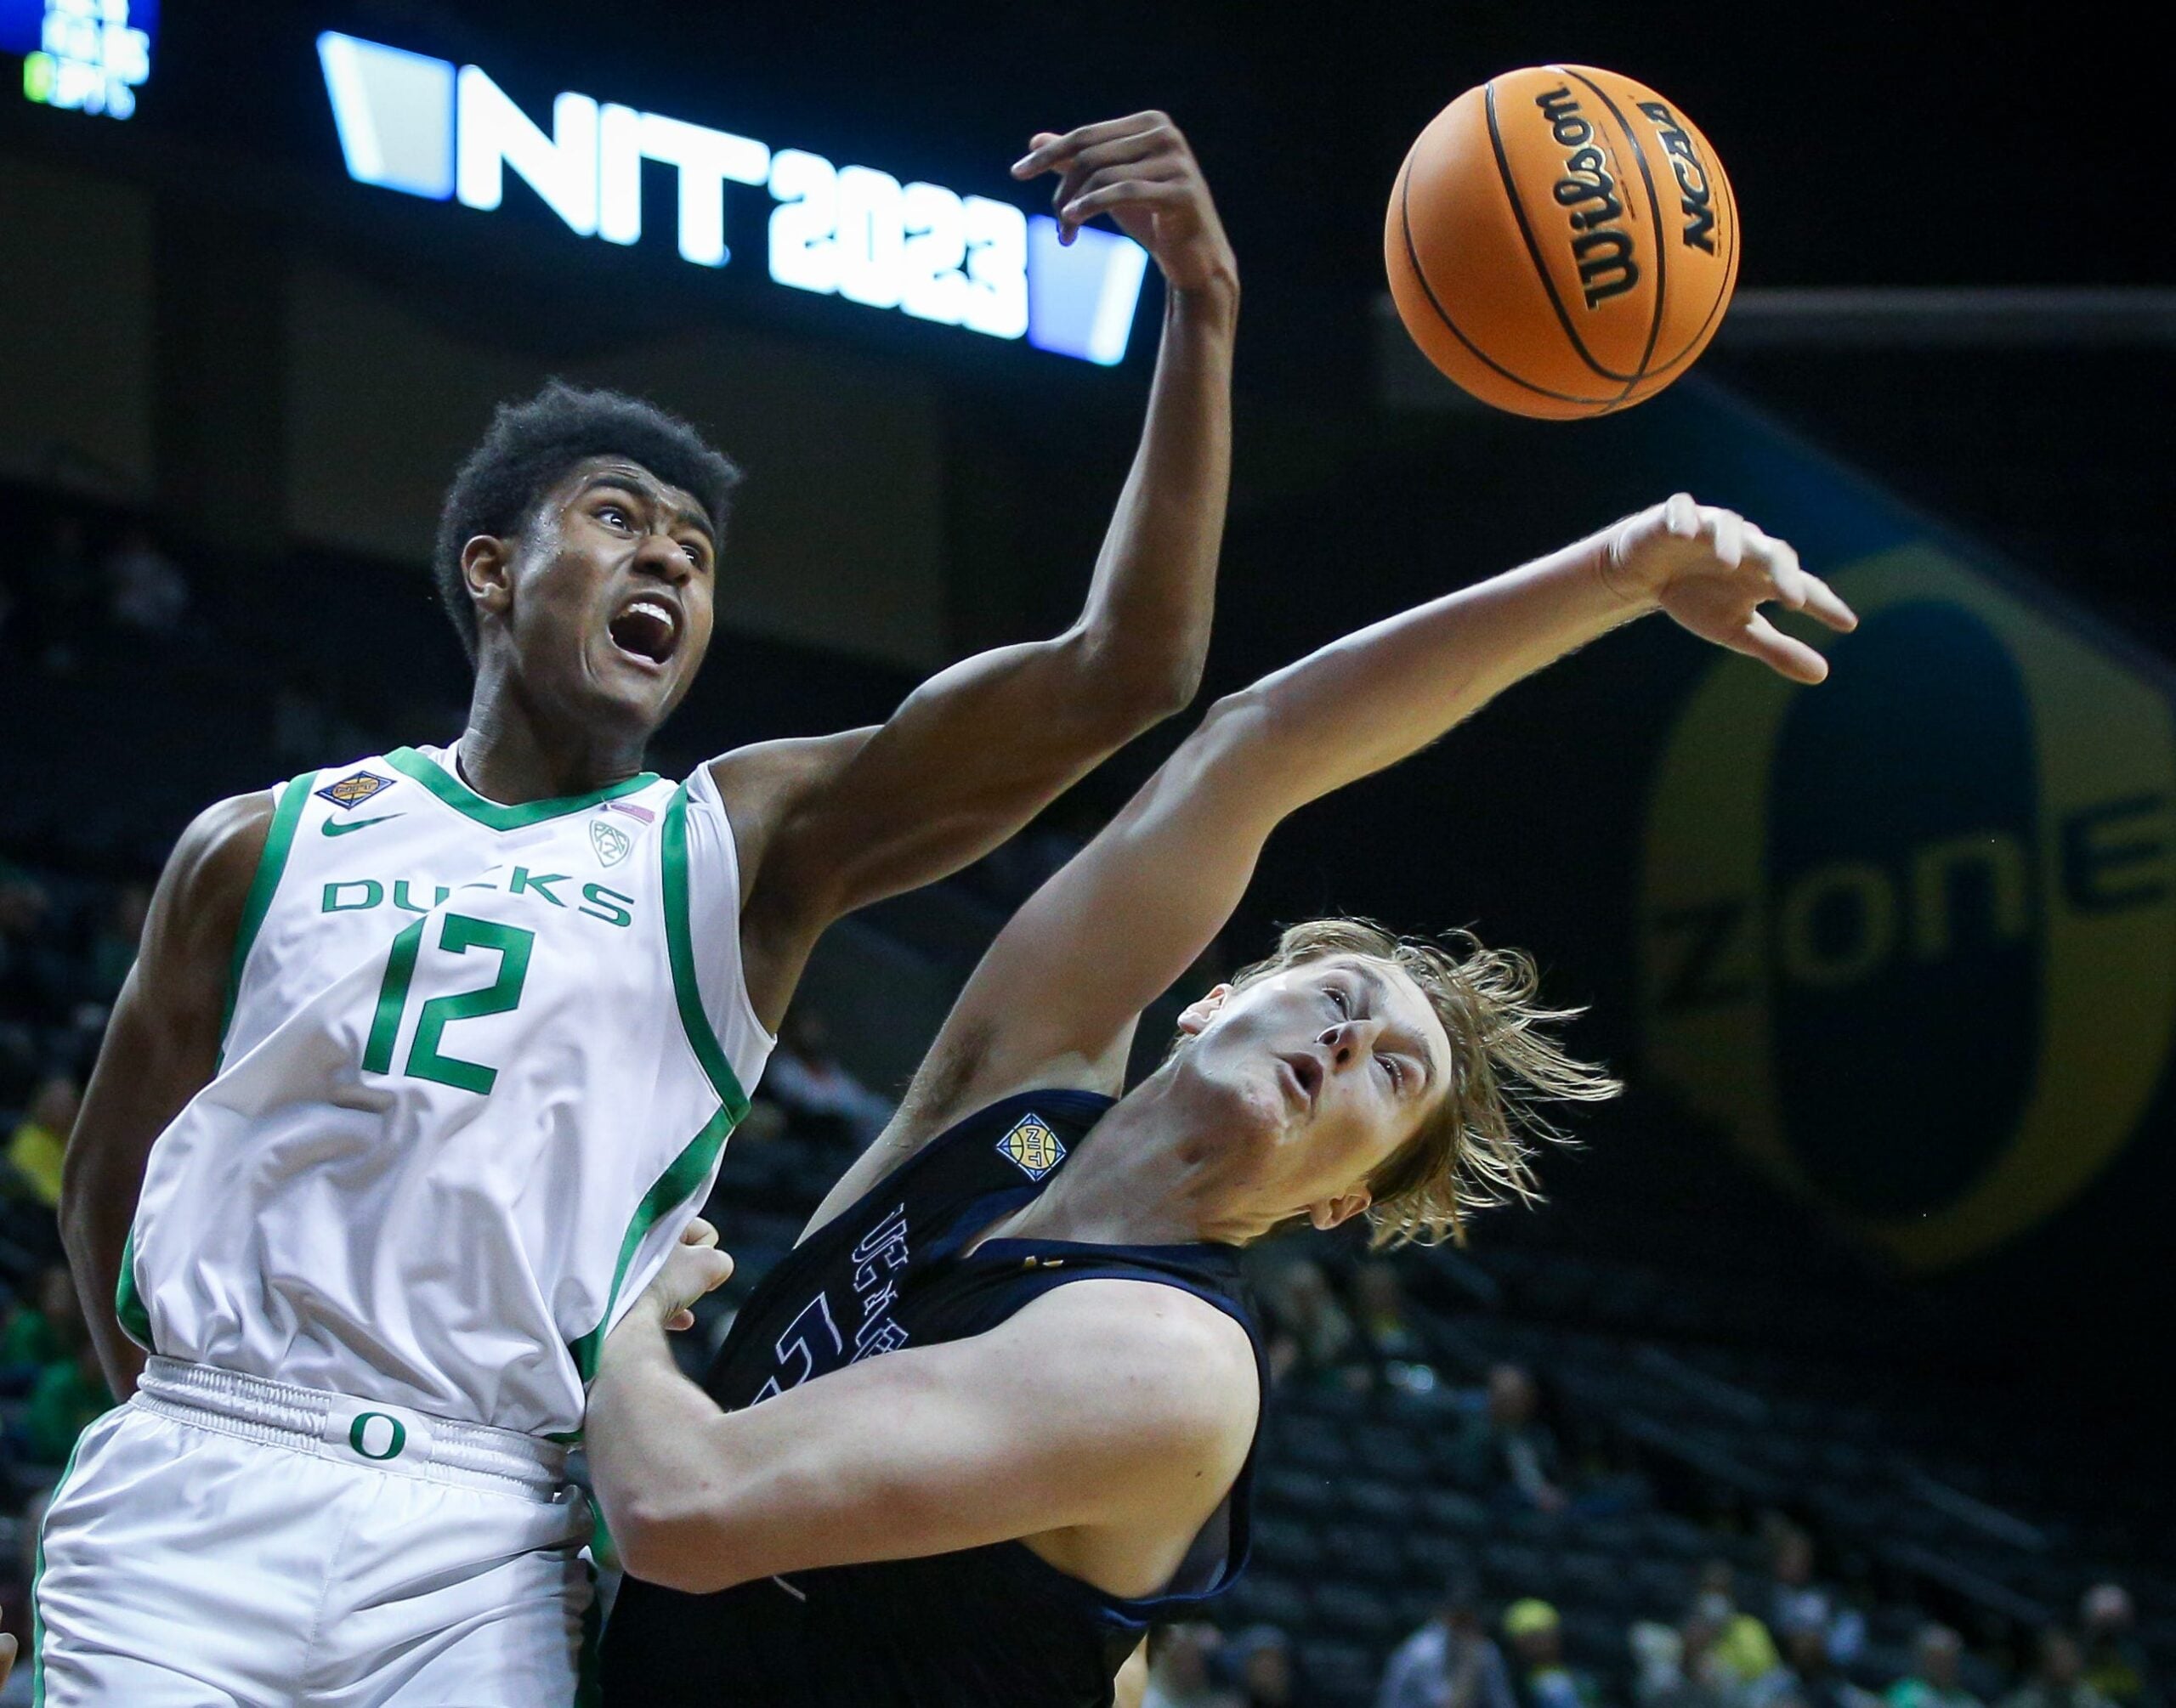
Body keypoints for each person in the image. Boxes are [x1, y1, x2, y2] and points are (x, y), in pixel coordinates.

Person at [37, 111, 1240, 1706]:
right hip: (198, 1474)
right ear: (491, 567)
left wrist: (1203, 314)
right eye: (616, 518)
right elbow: (109, 1180)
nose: (665, 556)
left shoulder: (737, 846)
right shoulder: (255, 845)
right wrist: (199, 1421)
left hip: (481, 1528)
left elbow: (1126, 673)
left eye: (694, 549)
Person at [590, 490, 1851, 1705]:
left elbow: (681, 1510)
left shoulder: (1168, 1361)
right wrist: (1615, 572)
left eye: (1394, 1071)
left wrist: (624, 1292)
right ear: (1211, 998)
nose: (1352, 1037)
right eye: (1341, 994)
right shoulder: (1021, 1093)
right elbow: (1260, 742)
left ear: (1345, 1198)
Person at [1380, 1575, 1518, 1708]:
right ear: (1444, 1616)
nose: (1466, 1626)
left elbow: (1503, 1702)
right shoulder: (1421, 1652)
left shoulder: (1484, 1649)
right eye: (1459, 1619)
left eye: (1470, 1618)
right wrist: (1469, 1665)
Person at [1447, 1362, 1567, 1511]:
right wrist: (1531, 1498)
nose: (1511, 1403)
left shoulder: (1539, 1436)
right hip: (1502, 1505)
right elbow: (1473, 1479)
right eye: (1505, 1396)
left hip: (1551, 1504)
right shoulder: (1475, 1433)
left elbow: (1557, 1476)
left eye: (1517, 1396)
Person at [1503, 1599, 1601, 1708]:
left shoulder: (1581, 1677)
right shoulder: (1512, 1684)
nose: (1541, 1643)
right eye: (1532, 1638)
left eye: (1546, 1635)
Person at [2004, 1629, 2114, 1708]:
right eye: (2060, 1657)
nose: (2068, 1663)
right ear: (2045, 1663)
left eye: (2070, 1656)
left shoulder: (2089, 1696)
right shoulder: (2026, 1700)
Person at [1887, 1626, 1986, 1708]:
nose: (1944, 1666)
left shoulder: (1967, 1702)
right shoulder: (1905, 1695)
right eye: (1937, 1660)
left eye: (1949, 1660)